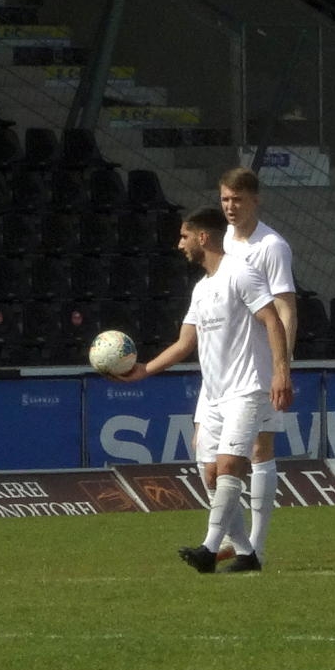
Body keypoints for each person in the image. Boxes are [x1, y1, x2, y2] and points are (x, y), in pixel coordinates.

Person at [122, 207, 293, 571]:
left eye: (184, 236)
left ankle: (209, 549)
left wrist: (281, 372)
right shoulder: (201, 288)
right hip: (213, 394)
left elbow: (272, 320)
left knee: (231, 464)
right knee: (211, 472)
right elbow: (185, 343)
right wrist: (144, 371)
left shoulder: (240, 272)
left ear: (203, 237)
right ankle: (246, 553)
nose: (179, 244)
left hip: (247, 388)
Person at [197, 167, 297, 565]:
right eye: (225, 199)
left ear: (255, 200)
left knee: (259, 447)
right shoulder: (221, 241)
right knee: (209, 453)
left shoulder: (271, 246)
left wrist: (282, 366)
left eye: (237, 199)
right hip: (224, 367)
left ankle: (256, 544)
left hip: (260, 367)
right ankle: (239, 545)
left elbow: (285, 308)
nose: (230, 207)